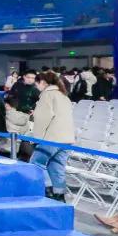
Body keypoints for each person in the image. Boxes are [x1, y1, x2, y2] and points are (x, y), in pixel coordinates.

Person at [29, 71, 75, 202]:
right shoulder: (64, 96)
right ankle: (59, 196)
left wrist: (36, 139)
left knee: (36, 164)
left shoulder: (47, 95)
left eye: (37, 83)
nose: (36, 87)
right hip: (67, 139)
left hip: (51, 138)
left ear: (43, 82)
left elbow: (42, 119)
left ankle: (48, 191)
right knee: (57, 168)